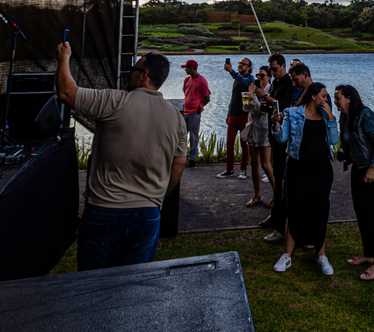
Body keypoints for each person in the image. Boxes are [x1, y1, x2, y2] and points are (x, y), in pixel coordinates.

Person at [56, 45, 187, 270]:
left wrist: (64, 58)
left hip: (104, 210)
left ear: (144, 75)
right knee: (132, 288)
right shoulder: (176, 117)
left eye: (133, 69)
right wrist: (159, 197)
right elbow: (179, 163)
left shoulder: (115, 101)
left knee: (92, 285)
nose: (130, 73)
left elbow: (67, 93)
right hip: (148, 214)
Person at [271, 82, 339, 275]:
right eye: (324, 96)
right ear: (313, 96)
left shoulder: (327, 116)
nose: (326, 100)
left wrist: (332, 118)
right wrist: (276, 124)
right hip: (297, 168)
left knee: (320, 210)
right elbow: (282, 138)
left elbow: (334, 140)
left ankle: (321, 256)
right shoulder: (292, 113)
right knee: (295, 210)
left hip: (322, 170)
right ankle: (287, 256)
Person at [335, 84, 374, 281]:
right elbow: (349, 142)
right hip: (358, 168)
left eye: (337, 98)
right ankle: (369, 254)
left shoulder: (366, 115)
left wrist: (372, 168)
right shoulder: (344, 116)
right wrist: (344, 153)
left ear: (349, 98)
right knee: (360, 212)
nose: (335, 101)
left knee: (367, 213)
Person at [263, 53, 294, 242]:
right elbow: (270, 108)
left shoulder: (287, 83)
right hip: (273, 132)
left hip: (282, 136)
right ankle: (276, 216)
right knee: (276, 171)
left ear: (283, 66)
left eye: (275, 69)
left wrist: (265, 97)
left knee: (281, 175)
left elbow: (282, 105)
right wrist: (262, 101)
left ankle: (280, 222)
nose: (272, 72)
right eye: (271, 70)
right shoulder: (276, 82)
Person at [218, 57, 255, 179]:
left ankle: (243, 169)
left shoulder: (249, 79)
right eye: (239, 63)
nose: (240, 65)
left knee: (244, 145)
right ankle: (229, 169)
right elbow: (233, 98)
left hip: (243, 116)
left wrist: (231, 71)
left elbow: (244, 83)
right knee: (229, 144)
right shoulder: (237, 79)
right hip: (233, 116)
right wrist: (228, 114)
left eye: (243, 64)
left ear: (248, 68)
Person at [244, 67, 275, 208]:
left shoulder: (270, 91)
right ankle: (257, 195)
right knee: (254, 163)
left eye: (262, 75)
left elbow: (266, 110)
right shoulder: (255, 90)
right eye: (258, 75)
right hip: (253, 128)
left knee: (265, 164)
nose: (260, 78)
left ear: (269, 77)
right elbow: (245, 108)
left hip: (265, 129)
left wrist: (256, 99)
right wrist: (248, 97)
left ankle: (277, 194)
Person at [180, 59, 210, 168]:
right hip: (185, 111)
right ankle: (181, 158)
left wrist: (200, 106)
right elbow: (186, 92)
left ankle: (192, 160)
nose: (185, 70)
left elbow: (207, 98)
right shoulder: (186, 80)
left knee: (193, 137)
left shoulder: (201, 81)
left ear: (192, 68)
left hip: (194, 113)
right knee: (181, 136)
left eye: (186, 68)